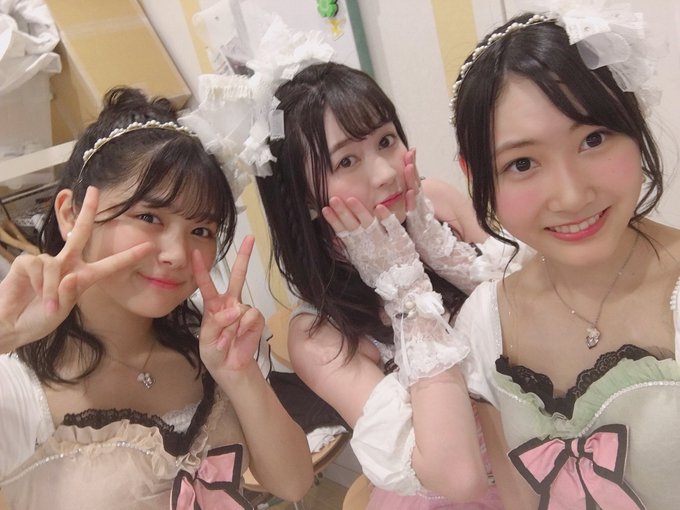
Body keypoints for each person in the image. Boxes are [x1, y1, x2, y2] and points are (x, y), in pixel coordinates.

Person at [0, 87, 313, 509]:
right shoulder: (16, 386)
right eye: (149, 217)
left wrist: (241, 377)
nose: (177, 255)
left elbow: (293, 485)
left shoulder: (211, 338)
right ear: (71, 214)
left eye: (200, 230)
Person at [256, 61, 520, 509]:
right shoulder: (318, 335)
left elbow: (529, 313)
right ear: (304, 196)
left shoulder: (437, 202)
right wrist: (403, 284)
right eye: (346, 160)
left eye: (385, 140)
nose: (384, 173)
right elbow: (459, 476)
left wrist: (440, 250)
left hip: (540, 448)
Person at [450, 5, 680, 509]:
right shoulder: (485, 324)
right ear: (476, 175)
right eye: (522, 163)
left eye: (593, 139)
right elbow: (515, 494)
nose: (572, 195)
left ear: (634, 124)